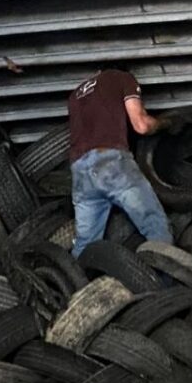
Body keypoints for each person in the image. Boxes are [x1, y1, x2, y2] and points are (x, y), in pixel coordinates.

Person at [67, 66, 175, 257]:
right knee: (155, 226)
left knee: (85, 246)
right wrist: (165, 124)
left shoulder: (75, 96)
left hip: (79, 170)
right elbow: (140, 125)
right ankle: (166, 285)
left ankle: (75, 284)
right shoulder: (122, 78)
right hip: (110, 162)